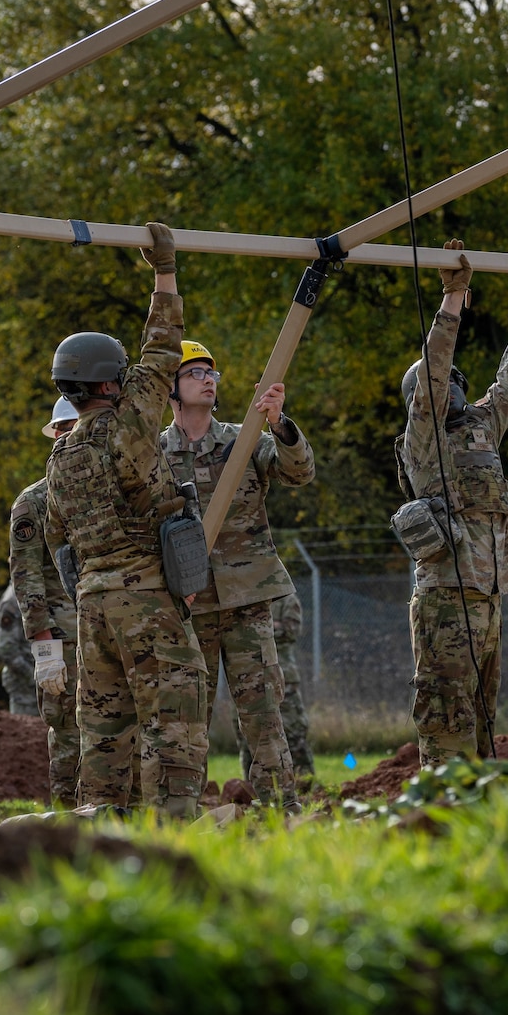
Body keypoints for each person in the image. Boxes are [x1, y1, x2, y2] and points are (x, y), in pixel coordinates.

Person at [44, 222, 209, 817]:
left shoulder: (59, 455)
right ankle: (175, 840)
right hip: (146, 599)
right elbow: (164, 347)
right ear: (111, 380)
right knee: (176, 724)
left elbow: (57, 534)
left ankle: (103, 843)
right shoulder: (132, 418)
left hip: (93, 607)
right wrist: (164, 270)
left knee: (105, 741)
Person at [396, 240, 508, 763]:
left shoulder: (482, 426)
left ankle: (477, 814)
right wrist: (453, 300)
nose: (451, 388)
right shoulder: (424, 440)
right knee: (446, 714)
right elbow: (434, 369)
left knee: (484, 714)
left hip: (488, 594)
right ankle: (441, 810)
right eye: (442, 384)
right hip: (445, 595)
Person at [159, 339, 314, 804]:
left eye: (212, 373)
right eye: (194, 373)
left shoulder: (242, 439)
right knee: (189, 720)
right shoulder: (153, 453)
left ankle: (280, 814)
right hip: (188, 605)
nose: (208, 379)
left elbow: (299, 472)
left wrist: (279, 424)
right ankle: (188, 816)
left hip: (247, 601)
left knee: (264, 716)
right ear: (171, 388)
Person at [10, 396, 82, 802]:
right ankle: (69, 814)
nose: (72, 436)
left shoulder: (104, 492)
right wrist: (45, 648)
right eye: (66, 428)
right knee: (68, 731)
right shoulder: (34, 501)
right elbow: (26, 575)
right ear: (55, 433)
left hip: (102, 628)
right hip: (61, 634)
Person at [0, 581, 40, 716]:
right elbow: (8, 650)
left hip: (38, 678)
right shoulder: (11, 602)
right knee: (29, 733)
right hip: (25, 689)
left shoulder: (30, 593)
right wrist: (33, 678)